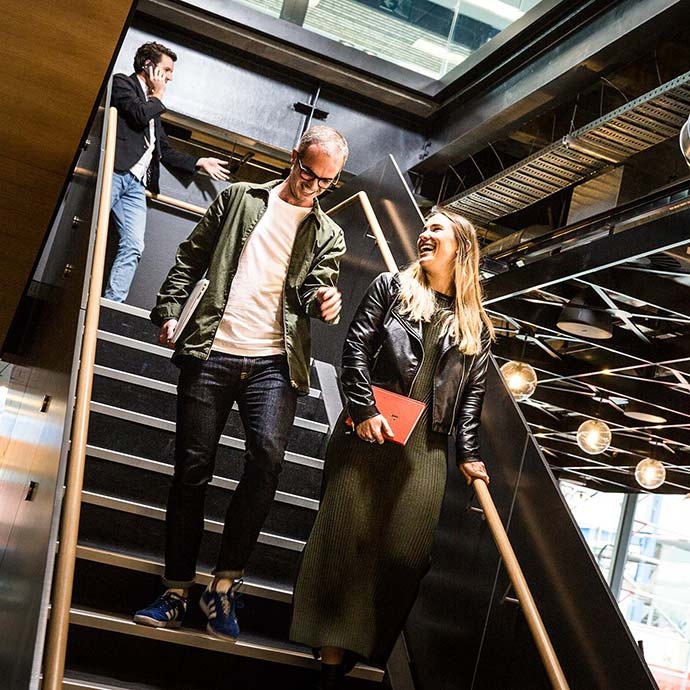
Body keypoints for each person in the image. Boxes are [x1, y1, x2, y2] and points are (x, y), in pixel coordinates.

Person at [133, 125, 349, 642]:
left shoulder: (329, 234)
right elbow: (191, 256)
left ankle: (224, 585)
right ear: (294, 157)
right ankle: (177, 588)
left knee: (268, 461)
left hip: (274, 363)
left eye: (326, 183)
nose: (313, 187)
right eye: (307, 173)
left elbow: (311, 288)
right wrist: (168, 310)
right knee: (192, 469)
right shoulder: (239, 199)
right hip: (212, 351)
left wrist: (325, 300)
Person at [290, 209, 495, 688]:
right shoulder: (391, 288)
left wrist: (468, 455)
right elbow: (355, 349)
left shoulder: (476, 327)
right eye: (422, 226)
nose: (424, 233)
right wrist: (362, 410)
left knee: (406, 557)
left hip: (426, 450)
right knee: (345, 544)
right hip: (368, 434)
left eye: (436, 229)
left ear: (461, 247)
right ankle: (330, 661)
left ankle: (364, 645)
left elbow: (470, 402)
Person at [104, 41, 230, 302]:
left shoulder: (154, 106)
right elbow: (138, 115)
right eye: (167, 70)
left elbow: (163, 149)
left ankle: (110, 303)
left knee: (134, 245)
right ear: (149, 66)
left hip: (136, 185)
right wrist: (158, 96)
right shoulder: (123, 84)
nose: (170, 77)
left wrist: (199, 162)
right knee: (94, 229)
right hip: (115, 173)